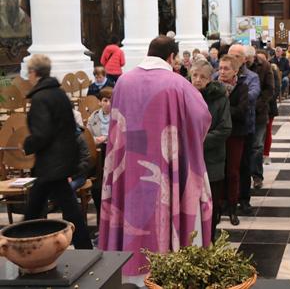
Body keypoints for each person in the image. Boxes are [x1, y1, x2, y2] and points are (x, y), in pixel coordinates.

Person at [98, 36, 213, 286]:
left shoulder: (123, 82)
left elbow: (116, 127)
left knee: (130, 213)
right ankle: (163, 274)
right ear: (172, 58)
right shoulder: (177, 84)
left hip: (128, 169)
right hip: (165, 167)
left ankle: (128, 274)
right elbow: (202, 117)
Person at [23, 54, 93, 249]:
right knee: (67, 208)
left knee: (34, 208)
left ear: (34, 73)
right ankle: (84, 246)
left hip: (50, 164)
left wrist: (28, 144)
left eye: (29, 72)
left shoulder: (40, 98)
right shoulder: (60, 94)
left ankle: (22, 243)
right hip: (62, 162)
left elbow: (42, 133)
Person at [191, 60, 232, 238]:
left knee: (211, 202)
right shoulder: (184, 94)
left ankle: (210, 238)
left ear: (210, 79)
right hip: (190, 160)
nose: (198, 80)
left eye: (203, 77)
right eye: (194, 75)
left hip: (212, 158)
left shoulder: (219, 98)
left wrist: (197, 141)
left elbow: (225, 129)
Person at [226, 44, 260, 215]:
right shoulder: (220, 74)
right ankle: (227, 199)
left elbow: (251, 97)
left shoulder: (251, 77)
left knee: (244, 165)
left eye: (237, 56)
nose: (233, 59)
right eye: (230, 55)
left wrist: (228, 102)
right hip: (225, 129)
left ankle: (244, 199)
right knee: (227, 165)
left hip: (245, 126)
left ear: (245, 59)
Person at [218, 55, 249, 226]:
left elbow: (241, 111)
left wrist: (222, 110)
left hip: (235, 134)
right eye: (220, 68)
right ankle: (219, 205)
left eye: (226, 68)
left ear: (235, 71)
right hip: (217, 134)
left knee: (232, 171)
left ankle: (232, 207)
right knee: (218, 170)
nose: (222, 71)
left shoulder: (241, 87)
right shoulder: (213, 86)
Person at [246, 45, 275, 190]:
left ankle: (257, 176)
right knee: (246, 145)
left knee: (257, 146)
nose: (245, 62)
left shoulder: (264, 66)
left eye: (247, 59)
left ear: (253, 57)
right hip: (243, 112)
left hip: (259, 112)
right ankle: (245, 175)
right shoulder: (239, 65)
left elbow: (269, 89)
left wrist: (257, 104)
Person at [87, 86, 112, 224]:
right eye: (105, 100)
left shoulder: (118, 115)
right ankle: (100, 220)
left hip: (112, 153)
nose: (108, 103)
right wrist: (95, 140)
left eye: (111, 100)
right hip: (98, 157)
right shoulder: (94, 117)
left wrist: (107, 138)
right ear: (100, 102)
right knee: (97, 188)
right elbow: (88, 136)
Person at [257, 50, 279, 166]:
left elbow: (275, 90)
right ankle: (258, 155)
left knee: (268, 131)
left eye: (262, 58)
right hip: (258, 107)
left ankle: (266, 154)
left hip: (269, 107)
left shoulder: (272, 70)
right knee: (258, 134)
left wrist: (264, 101)